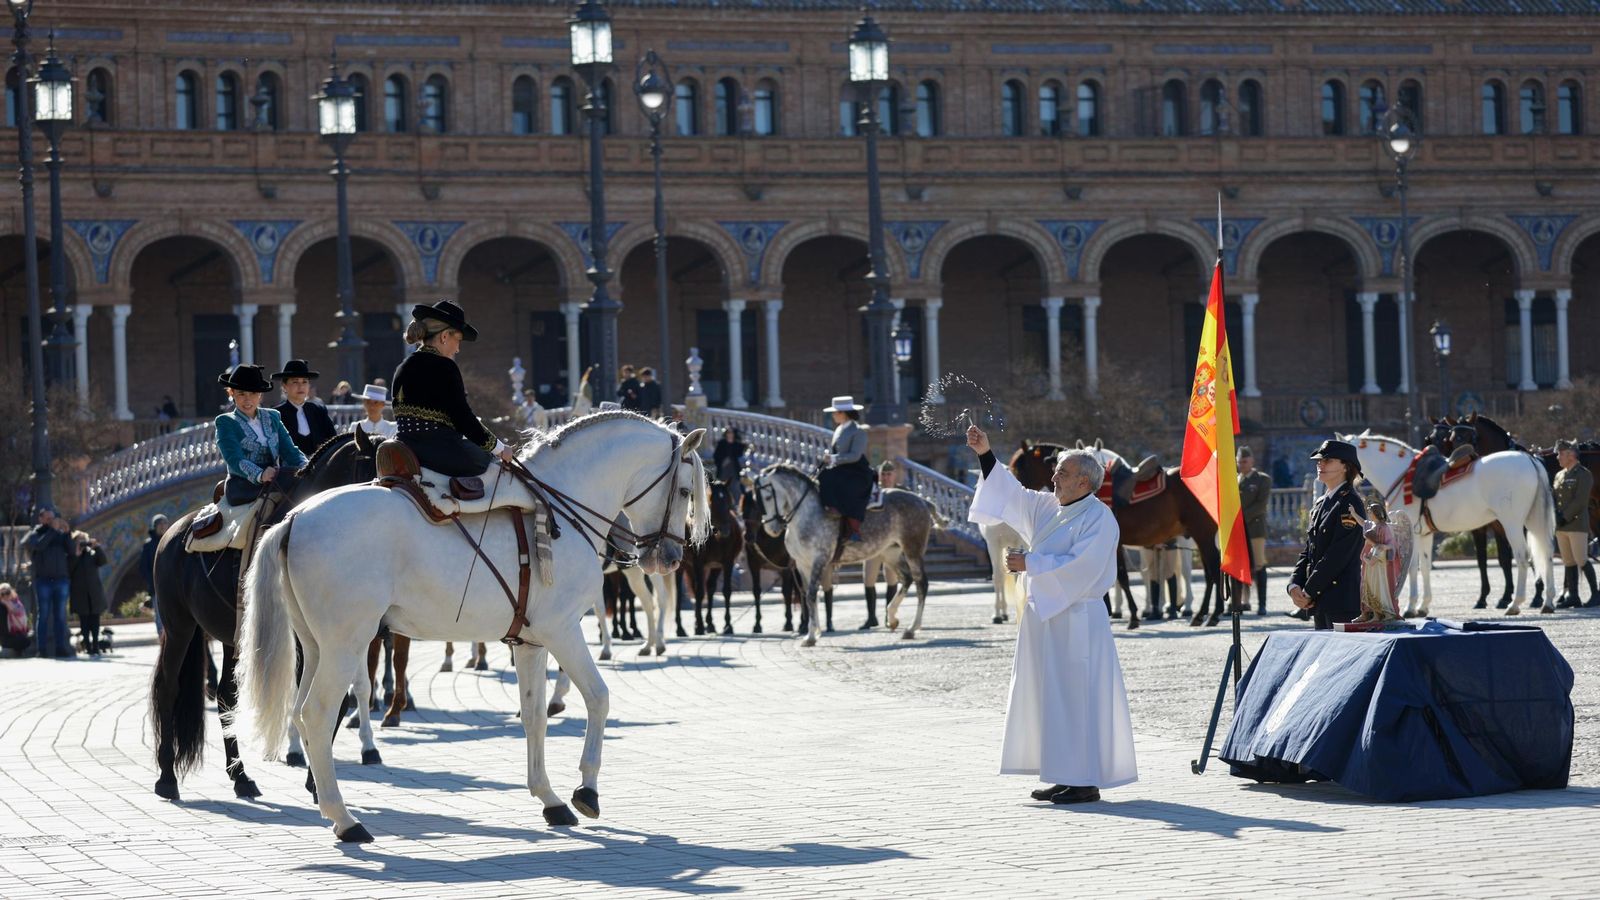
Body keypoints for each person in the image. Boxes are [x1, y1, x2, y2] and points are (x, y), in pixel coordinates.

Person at [964, 423, 1137, 805]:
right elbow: (1010, 494)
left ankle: (1085, 780)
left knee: (1076, 697)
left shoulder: (1099, 518)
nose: (1054, 476)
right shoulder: (1047, 506)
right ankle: (1062, 773)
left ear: (1085, 482)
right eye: (1057, 470)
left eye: (1063, 472)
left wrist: (1032, 562)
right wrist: (985, 453)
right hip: (1046, 618)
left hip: (1077, 621)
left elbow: (1084, 566)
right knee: (1050, 697)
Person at [391, 299, 514, 476]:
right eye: (458, 340)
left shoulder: (402, 367)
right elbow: (463, 418)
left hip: (403, 448)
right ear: (444, 336)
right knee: (487, 463)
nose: (457, 349)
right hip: (439, 452)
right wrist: (499, 449)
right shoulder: (445, 367)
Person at [1287, 439, 1365, 630]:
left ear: (1345, 467)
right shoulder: (1322, 503)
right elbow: (1309, 550)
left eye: (1328, 461)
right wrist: (1294, 584)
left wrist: (1308, 591)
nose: (1320, 464)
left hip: (1342, 602)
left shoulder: (1350, 504)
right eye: (1319, 461)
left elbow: (1337, 555)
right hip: (1319, 601)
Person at [216, 363, 307, 506]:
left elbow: (290, 451)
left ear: (260, 395)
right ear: (231, 393)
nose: (247, 400)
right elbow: (234, 458)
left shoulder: (273, 417)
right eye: (241, 394)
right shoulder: (225, 422)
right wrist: (260, 474)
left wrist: (308, 466)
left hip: (275, 481)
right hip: (243, 487)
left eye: (253, 394)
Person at [817, 396, 874, 542]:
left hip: (857, 470)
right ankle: (828, 509)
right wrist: (829, 459)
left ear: (843, 413)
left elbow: (855, 455)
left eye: (835, 412)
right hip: (841, 468)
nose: (833, 415)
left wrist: (834, 458)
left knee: (843, 484)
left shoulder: (858, 431)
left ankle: (852, 527)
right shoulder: (839, 430)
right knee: (822, 477)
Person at [23, 507, 75, 658]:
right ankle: (42, 649)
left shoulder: (60, 535)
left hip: (61, 579)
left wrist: (67, 534)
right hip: (44, 580)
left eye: (53, 518)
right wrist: (52, 530)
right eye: (48, 519)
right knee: (43, 615)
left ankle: (61, 647)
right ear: (41, 519)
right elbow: (39, 546)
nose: (52, 521)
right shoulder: (35, 533)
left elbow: (71, 551)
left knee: (60, 615)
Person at [1552, 439, 1594, 609]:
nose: (1557, 457)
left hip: (1576, 523)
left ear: (1571, 455)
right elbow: (1555, 497)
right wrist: (1555, 515)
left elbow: (1580, 501)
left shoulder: (1583, 474)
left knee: (1581, 559)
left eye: (1561, 454)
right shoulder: (1559, 475)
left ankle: (1596, 594)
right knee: (1568, 561)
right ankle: (1573, 596)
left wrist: (1564, 516)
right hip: (1561, 526)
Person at [272, 359, 337, 457]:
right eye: (295, 382)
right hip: (288, 470)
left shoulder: (318, 411)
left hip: (318, 469)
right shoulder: (277, 414)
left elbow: (333, 439)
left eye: (304, 382)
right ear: (284, 386)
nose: (300, 386)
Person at [1237, 446, 1273, 614]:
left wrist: (1240, 517)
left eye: (1245, 461)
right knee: (1241, 566)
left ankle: (1262, 604)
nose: (1242, 465)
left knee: (1259, 564)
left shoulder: (1262, 479)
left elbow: (1261, 505)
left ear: (1252, 461)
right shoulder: (1236, 480)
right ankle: (1243, 601)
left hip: (1255, 529)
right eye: (1239, 462)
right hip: (1238, 531)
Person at [68, 527, 110, 657]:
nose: (82, 543)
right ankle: (87, 645)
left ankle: (96, 646)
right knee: (84, 623)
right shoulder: (72, 555)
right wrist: (76, 555)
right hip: (80, 594)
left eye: (83, 540)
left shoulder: (92, 553)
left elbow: (103, 561)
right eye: (79, 541)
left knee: (95, 623)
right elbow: (69, 570)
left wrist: (97, 547)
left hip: (94, 593)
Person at [140, 514, 169, 631]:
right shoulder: (148, 544)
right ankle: (162, 638)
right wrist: (152, 579)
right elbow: (143, 567)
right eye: (160, 524)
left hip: (172, 584)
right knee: (159, 614)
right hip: (156, 585)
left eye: (164, 523)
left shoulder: (171, 541)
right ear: (154, 527)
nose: (162, 526)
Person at [1, 582, 30, 657]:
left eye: (7, 593)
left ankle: (19, 650)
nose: (5, 596)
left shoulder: (17, 604)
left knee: (25, 641)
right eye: (2, 594)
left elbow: (15, 611)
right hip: (5, 637)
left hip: (18, 634)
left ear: (11, 592)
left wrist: (6, 602)